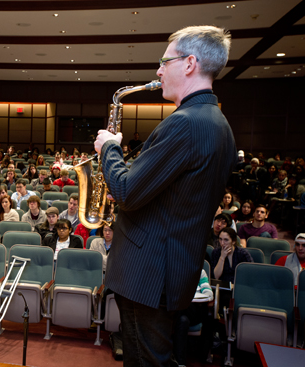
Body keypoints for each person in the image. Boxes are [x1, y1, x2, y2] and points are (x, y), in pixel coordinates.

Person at [93, 25, 236, 366]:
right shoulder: (219, 123)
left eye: (164, 61)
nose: (158, 70)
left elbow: (127, 191)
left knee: (145, 360)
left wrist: (109, 150)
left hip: (148, 271)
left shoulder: (184, 123)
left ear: (189, 63)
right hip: (170, 268)